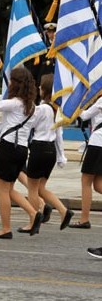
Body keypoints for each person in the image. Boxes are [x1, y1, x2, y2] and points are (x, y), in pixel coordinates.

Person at [0, 67, 42, 239]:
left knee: (2, 190)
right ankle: (33, 214)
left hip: (9, 148)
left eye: (11, 81)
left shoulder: (14, 103)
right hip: (22, 149)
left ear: (16, 84)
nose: (9, 83)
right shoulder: (31, 105)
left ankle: (5, 228)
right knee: (9, 189)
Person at [22, 74, 74, 231]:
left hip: (38, 148)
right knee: (41, 188)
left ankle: (32, 220)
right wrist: (61, 155)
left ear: (44, 90)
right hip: (50, 150)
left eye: (40, 86)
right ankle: (64, 211)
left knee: (32, 188)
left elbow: (29, 122)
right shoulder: (56, 110)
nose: (38, 88)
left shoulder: (42, 108)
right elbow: (59, 135)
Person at [69, 96, 102, 229]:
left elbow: (85, 115)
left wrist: (73, 106)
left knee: (86, 181)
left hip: (98, 142)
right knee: (98, 184)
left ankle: (84, 219)